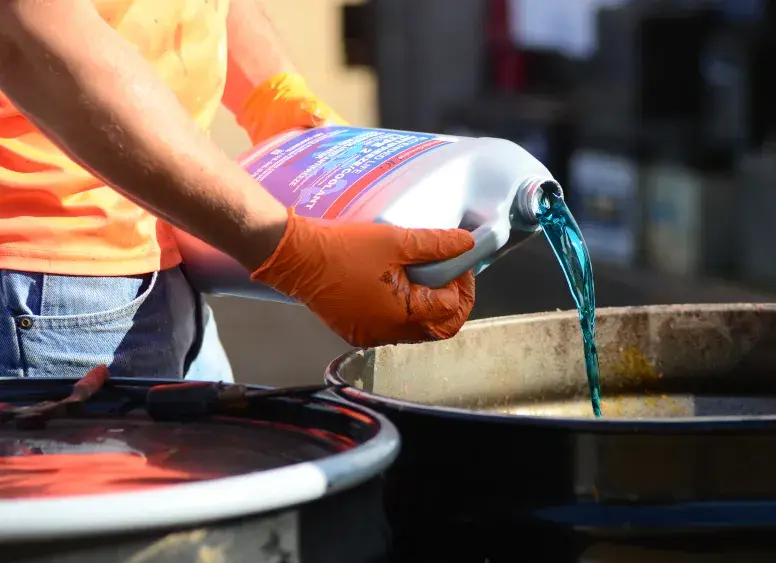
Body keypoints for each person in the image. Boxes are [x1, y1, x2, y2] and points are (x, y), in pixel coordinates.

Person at [0, 0, 476, 381]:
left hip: (163, 251)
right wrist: (291, 251)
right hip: (45, 292)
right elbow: (30, 35)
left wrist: (273, 95)